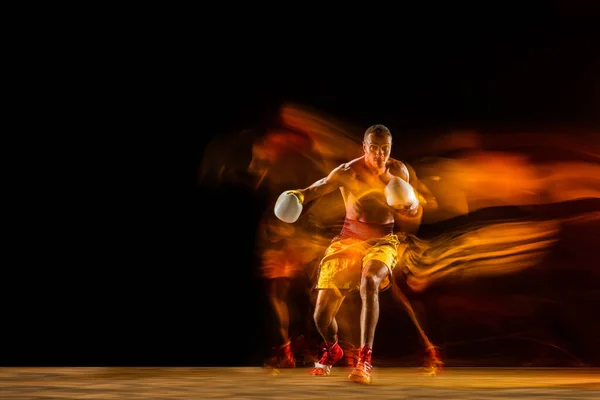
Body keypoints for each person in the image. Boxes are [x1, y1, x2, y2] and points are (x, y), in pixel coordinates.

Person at [273, 124, 440, 384]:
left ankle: (364, 360)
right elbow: (320, 186)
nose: (379, 154)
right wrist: (301, 195)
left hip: (383, 241)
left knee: (369, 281)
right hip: (347, 240)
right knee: (321, 316)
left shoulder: (399, 171)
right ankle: (332, 348)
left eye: (385, 149)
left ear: (390, 149)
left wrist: (412, 206)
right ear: (364, 147)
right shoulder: (348, 172)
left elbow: (411, 208)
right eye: (374, 148)